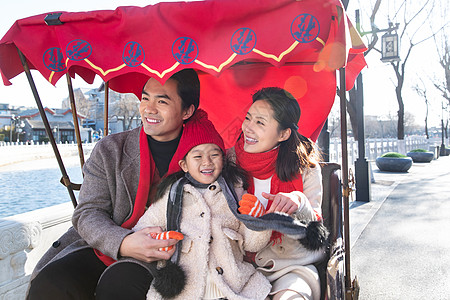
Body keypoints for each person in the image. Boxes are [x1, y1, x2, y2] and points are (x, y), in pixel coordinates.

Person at [27, 69, 201, 300]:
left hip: (167, 254)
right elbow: (88, 213)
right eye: (145, 98)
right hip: (104, 244)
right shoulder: (110, 149)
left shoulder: (204, 154)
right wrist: (123, 242)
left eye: (162, 101)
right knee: (52, 283)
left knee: (119, 286)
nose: (149, 108)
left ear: (187, 111)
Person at [132, 109, 272, 300]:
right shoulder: (171, 197)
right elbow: (142, 230)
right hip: (186, 290)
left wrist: (258, 221)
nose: (207, 162)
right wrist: (160, 241)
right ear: (184, 165)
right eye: (197, 157)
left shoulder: (235, 193)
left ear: (223, 159)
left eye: (214, 155)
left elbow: (253, 244)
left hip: (232, 287)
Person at [229, 87, 325, 300]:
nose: (248, 128)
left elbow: (315, 237)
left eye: (260, 122)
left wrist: (298, 203)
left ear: (283, 134)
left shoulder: (306, 169)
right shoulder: (229, 162)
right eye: (248, 118)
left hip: (290, 266)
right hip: (238, 268)